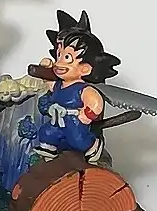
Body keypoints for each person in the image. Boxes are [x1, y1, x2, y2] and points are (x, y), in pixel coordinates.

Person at [34, 10, 121, 163]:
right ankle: (49, 151)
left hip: (74, 121)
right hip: (57, 120)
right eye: (59, 55)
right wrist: (44, 69)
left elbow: (95, 102)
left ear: (85, 68)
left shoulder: (83, 89)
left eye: (67, 57)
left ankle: (93, 146)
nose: (60, 62)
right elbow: (50, 85)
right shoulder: (60, 84)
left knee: (78, 139)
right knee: (46, 133)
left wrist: (85, 115)